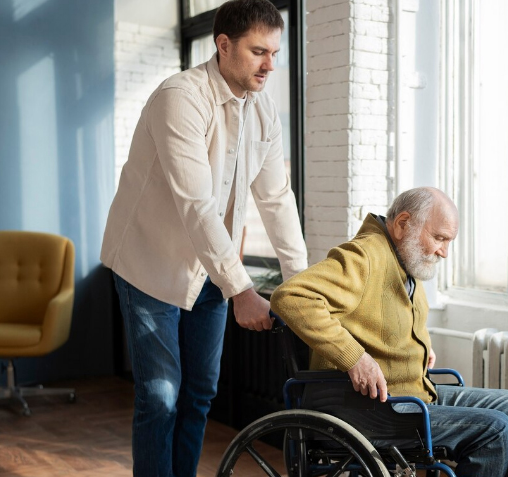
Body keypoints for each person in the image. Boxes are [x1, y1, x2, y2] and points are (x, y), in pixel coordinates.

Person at [100, 1, 307, 474]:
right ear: (223, 45)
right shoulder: (181, 97)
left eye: (275, 52)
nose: (270, 64)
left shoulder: (263, 110)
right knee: (161, 395)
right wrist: (242, 289)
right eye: (259, 51)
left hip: (213, 269)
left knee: (198, 394)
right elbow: (197, 207)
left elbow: (276, 198)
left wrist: (302, 283)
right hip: (151, 264)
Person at [271, 187, 508, 476]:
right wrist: (355, 358)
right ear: (402, 224)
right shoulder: (365, 255)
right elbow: (291, 297)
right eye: (439, 238)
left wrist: (419, 348)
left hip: (413, 392)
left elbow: (382, 319)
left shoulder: (403, 260)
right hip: (374, 408)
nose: (444, 252)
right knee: (495, 430)